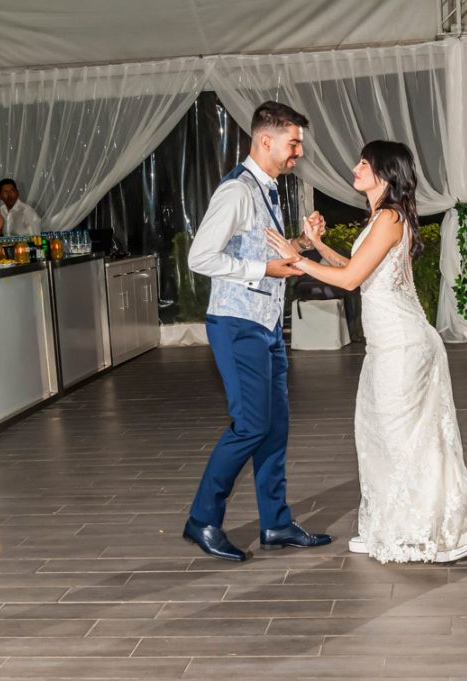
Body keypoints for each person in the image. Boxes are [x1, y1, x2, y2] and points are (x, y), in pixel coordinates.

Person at [265, 140, 467, 564]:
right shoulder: (382, 217)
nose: (355, 167)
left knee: (401, 439)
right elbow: (360, 268)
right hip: (390, 345)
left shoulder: (390, 217)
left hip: (403, 345)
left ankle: (423, 533)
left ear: (384, 173)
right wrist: (316, 246)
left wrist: (295, 259)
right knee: (381, 436)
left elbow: (352, 280)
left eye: (363, 162)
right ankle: (393, 528)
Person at [185, 101, 331, 561]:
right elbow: (199, 257)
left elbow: (274, 254)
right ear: (265, 141)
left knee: (275, 428)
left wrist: (306, 242)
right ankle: (202, 519)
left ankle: (276, 524)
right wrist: (260, 268)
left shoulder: (266, 189)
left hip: (265, 325)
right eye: (294, 144)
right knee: (250, 426)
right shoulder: (236, 192)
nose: (298, 154)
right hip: (236, 324)